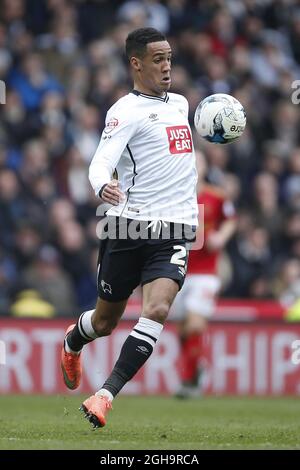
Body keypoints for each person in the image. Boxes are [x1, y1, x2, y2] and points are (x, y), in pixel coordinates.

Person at [60, 27, 198, 428]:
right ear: (136, 63)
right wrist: (102, 184)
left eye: (169, 57)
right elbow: (100, 161)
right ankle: (73, 340)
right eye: (158, 59)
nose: (167, 65)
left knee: (157, 308)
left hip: (175, 229)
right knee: (105, 322)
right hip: (129, 228)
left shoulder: (182, 104)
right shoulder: (124, 110)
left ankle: (104, 396)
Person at [172, 153, 237, 398]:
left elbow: (231, 220)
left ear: (205, 167)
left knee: (195, 324)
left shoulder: (216, 196)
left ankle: (190, 380)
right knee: (182, 329)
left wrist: (221, 237)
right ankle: (194, 373)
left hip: (206, 272)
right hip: (178, 270)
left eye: (198, 163)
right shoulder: (175, 197)